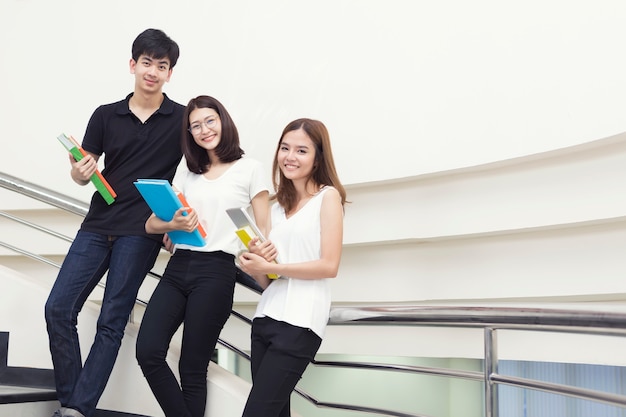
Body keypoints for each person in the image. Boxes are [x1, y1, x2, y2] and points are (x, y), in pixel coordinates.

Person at [44, 28, 183, 417]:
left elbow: (194, 174)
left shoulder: (182, 119)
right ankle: (75, 401)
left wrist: (176, 223)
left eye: (162, 65)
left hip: (140, 233)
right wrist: (80, 172)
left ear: (170, 72)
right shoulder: (106, 114)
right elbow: (80, 172)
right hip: (97, 223)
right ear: (132, 65)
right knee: (57, 309)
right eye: (146, 63)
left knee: (111, 320)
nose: (152, 71)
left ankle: (76, 409)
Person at [135, 95, 270, 417]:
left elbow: (264, 231)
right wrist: (173, 224)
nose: (204, 130)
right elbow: (151, 224)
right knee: (148, 350)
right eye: (195, 126)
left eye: (210, 120)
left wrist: (260, 257)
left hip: (217, 271)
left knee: (192, 368)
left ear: (223, 120)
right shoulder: (187, 168)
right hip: (179, 265)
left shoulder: (250, 168)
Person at [238, 118, 347, 417]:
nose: (290, 156)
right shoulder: (274, 208)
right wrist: (256, 264)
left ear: (318, 157)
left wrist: (277, 266)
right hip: (265, 319)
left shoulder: (328, 197)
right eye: (285, 148)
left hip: (300, 323)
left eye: (301, 150)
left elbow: (329, 265)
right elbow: (269, 281)